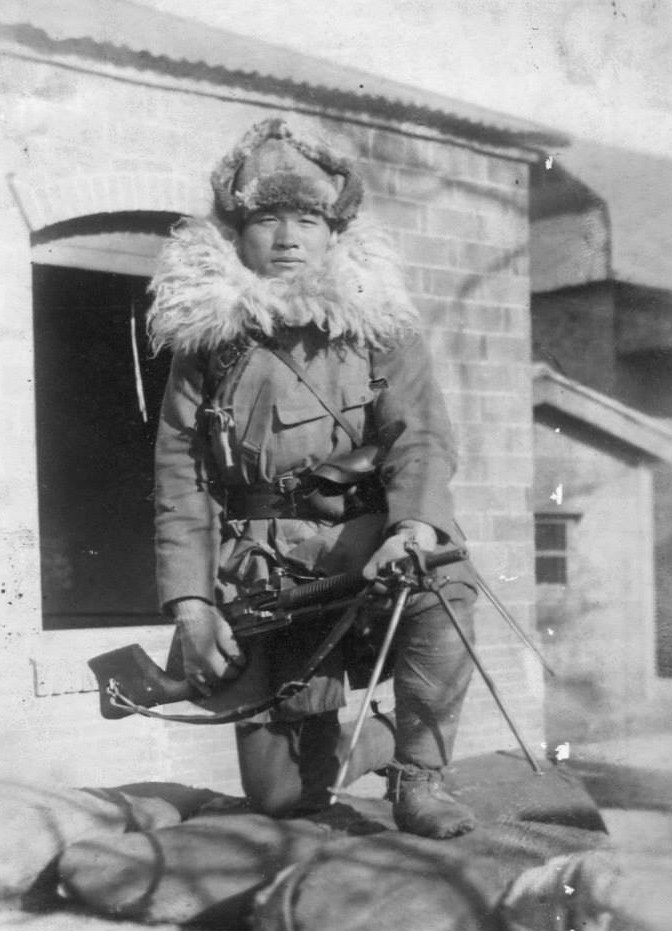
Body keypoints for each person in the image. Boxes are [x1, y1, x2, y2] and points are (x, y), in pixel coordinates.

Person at [147, 117, 478, 839]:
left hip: (363, 556)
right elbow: (182, 473)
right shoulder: (205, 341)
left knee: (443, 581)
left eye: (307, 218)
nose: (289, 236)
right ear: (236, 230)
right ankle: (380, 739)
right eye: (268, 217)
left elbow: (419, 437)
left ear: (335, 231)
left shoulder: (381, 325)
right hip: (263, 572)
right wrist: (192, 604)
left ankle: (420, 775)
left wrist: (409, 528)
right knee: (279, 797)